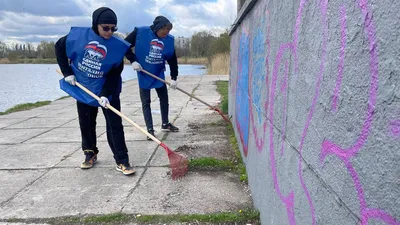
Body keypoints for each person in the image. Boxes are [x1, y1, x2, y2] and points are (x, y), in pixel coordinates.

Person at [54, 7, 135, 175]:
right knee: (86, 122)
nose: (109, 32)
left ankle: (122, 160)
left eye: (113, 28)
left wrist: (105, 94)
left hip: (108, 88)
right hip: (84, 87)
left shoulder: (117, 46)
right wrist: (67, 72)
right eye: (106, 28)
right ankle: (90, 153)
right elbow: (59, 47)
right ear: (95, 24)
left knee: (115, 125)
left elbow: (114, 74)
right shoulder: (78, 37)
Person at [125, 15, 179, 141]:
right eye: (163, 32)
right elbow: (124, 45)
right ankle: (150, 130)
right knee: (146, 102)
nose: (165, 35)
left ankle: (165, 124)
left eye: (168, 33)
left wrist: (174, 78)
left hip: (158, 72)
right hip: (143, 72)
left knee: (164, 98)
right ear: (157, 28)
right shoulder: (140, 32)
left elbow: (172, 60)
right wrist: (132, 60)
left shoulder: (168, 40)